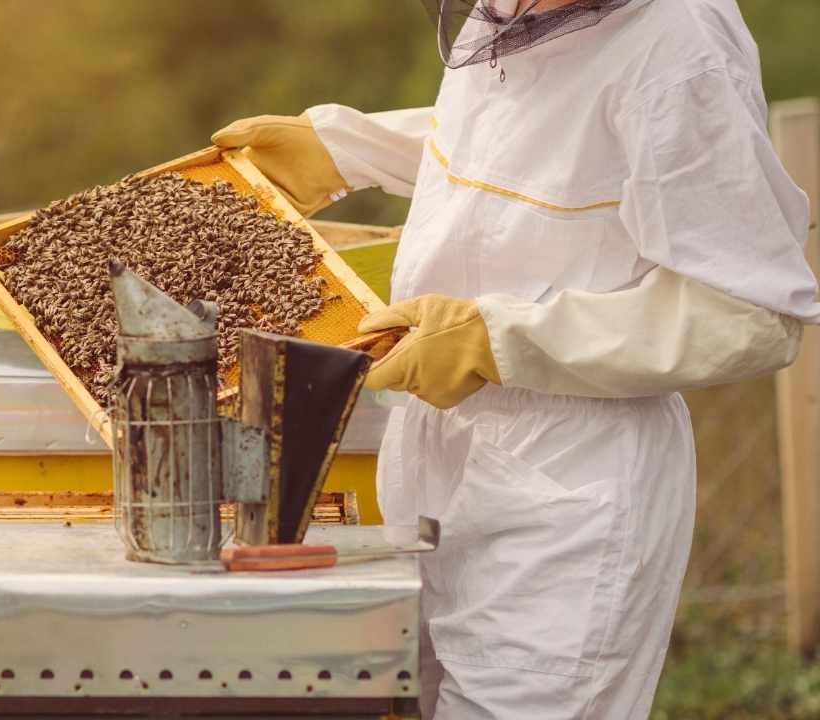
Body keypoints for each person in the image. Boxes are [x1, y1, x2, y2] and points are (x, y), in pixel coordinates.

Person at [213, 0, 818, 717]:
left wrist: (498, 339)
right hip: (434, 457)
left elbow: (752, 312)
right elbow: (525, 142)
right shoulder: (508, 10)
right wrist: (351, 147)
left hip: (569, 493)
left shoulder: (682, 51)